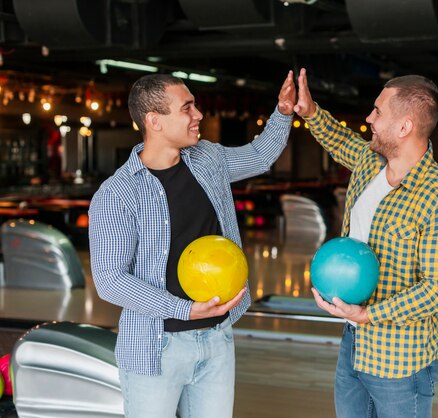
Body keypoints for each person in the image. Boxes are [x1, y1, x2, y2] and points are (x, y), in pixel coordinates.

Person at [88, 72, 295, 418]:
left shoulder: (207, 159)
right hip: (156, 346)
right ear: (154, 121)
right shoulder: (117, 194)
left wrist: (284, 112)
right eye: (187, 108)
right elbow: (110, 279)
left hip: (216, 337)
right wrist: (184, 309)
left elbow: (259, 156)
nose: (198, 115)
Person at [292, 68, 438, 418]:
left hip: (400, 360)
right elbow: (339, 139)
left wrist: (369, 314)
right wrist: (310, 112)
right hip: (354, 344)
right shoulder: (370, 163)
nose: (368, 118)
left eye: (378, 111)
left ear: (405, 127)